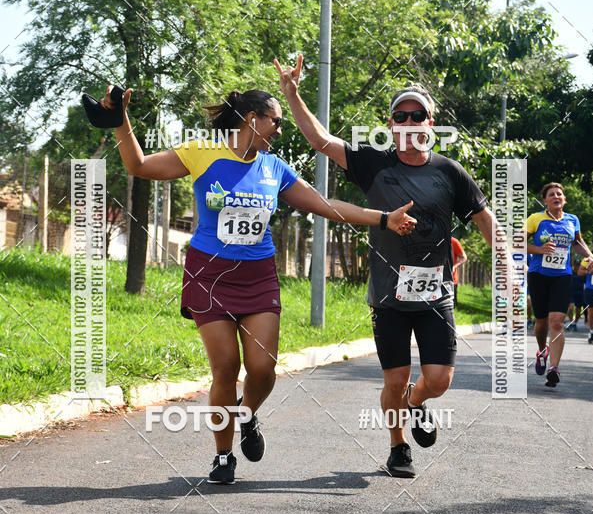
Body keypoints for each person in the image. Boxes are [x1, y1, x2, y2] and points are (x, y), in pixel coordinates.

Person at [101, 84, 416, 483]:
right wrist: (119, 120)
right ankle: (222, 456)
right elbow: (139, 166)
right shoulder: (202, 151)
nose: (281, 131)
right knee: (226, 367)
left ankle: (247, 415)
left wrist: (382, 217)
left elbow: (326, 206)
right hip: (209, 273)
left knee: (263, 369)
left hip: (257, 276)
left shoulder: (274, 167)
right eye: (277, 122)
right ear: (254, 119)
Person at [275, 55, 496, 479]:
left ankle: (417, 404)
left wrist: (508, 264)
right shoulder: (375, 164)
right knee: (394, 380)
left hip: (436, 296)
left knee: (439, 380)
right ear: (391, 125)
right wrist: (292, 93)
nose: (410, 122)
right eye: (401, 116)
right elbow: (320, 140)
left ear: (430, 123)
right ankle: (398, 448)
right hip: (388, 296)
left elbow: (486, 221)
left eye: (418, 116)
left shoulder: (450, 172)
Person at [526, 183, 593, 387]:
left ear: (564, 199)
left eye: (559, 194)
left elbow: (578, 243)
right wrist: (539, 249)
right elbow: (518, 242)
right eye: (551, 194)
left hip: (562, 276)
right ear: (545, 200)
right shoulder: (535, 219)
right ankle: (542, 350)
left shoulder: (572, 220)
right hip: (538, 275)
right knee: (541, 323)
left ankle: (553, 368)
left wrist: (590, 256)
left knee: (557, 321)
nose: (556, 196)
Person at [578, 239, 593, 343]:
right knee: (591, 313)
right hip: (590, 289)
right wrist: (588, 271)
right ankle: (592, 332)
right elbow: (579, 272)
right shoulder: (588, 259)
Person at [566, 253, 585, 331]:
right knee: (571, 307)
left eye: (578, 265)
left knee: (578, 310)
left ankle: (575, 324)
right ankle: (571, 322)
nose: (577, 266)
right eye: (576, 265)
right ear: (574, 265)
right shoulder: (570, 273)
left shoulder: (583, 274)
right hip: (571, 293)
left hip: (580, 293)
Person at [451, 237, 467, 307]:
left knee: (450, 306)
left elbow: (464, 257)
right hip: (434, 279)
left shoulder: (453, 241)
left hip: (451, 280)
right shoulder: (432, 240)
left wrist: (454, 266)